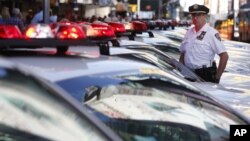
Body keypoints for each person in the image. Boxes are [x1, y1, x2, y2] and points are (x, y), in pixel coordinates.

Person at [179, 4, 229, 83]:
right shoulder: (189, 32)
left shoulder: (211, 33)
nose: (195, 18)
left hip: (204, 76)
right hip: (187, 75)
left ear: (204, 16)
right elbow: (183, 53)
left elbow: (224, 56)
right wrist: (180, 69)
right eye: (193, 15)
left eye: (198, 15)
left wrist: (217, 78)